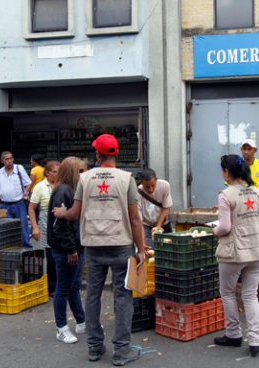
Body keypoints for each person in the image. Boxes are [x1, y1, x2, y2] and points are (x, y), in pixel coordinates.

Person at [53, 134, 148, 366]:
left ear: (97, 155)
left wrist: (60, 213)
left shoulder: (85, 179)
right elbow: (135, 219)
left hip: (93, 247)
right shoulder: (127, 178)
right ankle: (121, 350)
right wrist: (141, 249)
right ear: (115, 154)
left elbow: (74, 214)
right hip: (121, 246)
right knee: (123, 296)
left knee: (93, 295)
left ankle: (95, 347)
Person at [211, 155, 259, 358]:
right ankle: (255, 341)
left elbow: (225, 227)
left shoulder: (225, 194)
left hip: (234, 251)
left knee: (227, 292)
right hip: (257, 250)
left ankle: (234, 334)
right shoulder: (257, 192)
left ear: (226, 172)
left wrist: (214, 231)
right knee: (250, 294)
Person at [48, 157, 86, 344]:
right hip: (66, 250)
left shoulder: (72, 190)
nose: (83, 174)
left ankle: (81, 321)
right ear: (72, 172)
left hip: (77, 247)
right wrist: (71, 249)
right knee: (63, 288)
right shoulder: (63, 191)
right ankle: (61, 328)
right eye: (79, 171)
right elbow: (61, 226)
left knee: (74, 286)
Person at [29, 160, 60, 297]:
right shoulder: (40, 187)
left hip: (62, 223)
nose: (57, 175)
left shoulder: (63, 184)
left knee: (63, 255)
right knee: (51, 257)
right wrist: (35, 227)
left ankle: (63, 285)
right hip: (46, 223)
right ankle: (52, 287)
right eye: (54, 172)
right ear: (47, 173)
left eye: (59, 172)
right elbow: (31, 208)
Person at [0, 151, 33, 248]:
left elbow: (28, 183)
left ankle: (26, 247)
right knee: (7, 229)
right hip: (4, 205)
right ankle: (11, 248)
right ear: (2, 161)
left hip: (18, 203)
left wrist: (26, 192)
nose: (10, 161)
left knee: (23, 226)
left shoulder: (19, 169)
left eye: (11, 158)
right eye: (7, 159)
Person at [137, 168, 173, 248]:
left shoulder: (164, 185)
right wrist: (143, 244)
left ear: (156, 180)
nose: (150, 189)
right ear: (141, 183)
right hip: (147, 226)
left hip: (164, 224)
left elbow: (166, 209)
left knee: (169, 250)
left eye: (153, 186)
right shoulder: (138, 193)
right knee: (151, 250)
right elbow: (139, 222)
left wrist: (158, 227)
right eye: (147, 187)